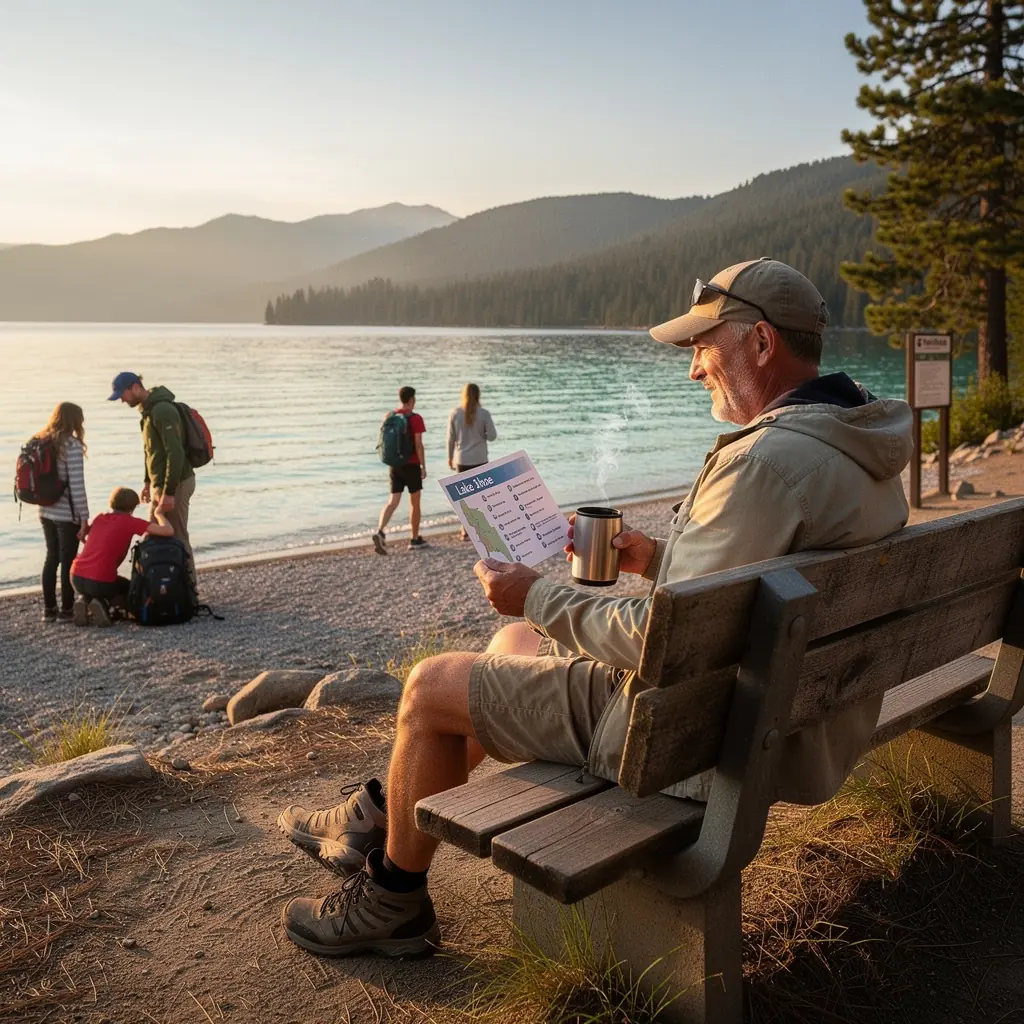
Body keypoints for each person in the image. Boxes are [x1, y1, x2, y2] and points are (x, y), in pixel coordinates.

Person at [275, 258, 913, 958]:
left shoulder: (764, 461)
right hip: (778, 718)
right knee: (514, 642)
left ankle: (392, 897)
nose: (693, 368)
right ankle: (377, 816)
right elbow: (756, 590)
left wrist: (542, 593)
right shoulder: (853, 442)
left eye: (703, 346)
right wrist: (656, 559)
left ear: (761, 344)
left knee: (429, 687)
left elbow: (664, 641)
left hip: (687, 738)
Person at [108, 372, 196, 565]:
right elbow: (151, 451)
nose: (122, 400)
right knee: (151, 534)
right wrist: (148, 482)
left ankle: (190, 590)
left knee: (178, 537)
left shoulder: (162, 411)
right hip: (161, 484)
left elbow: (176, 453)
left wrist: (170, 492)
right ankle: (156, 588)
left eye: (122, 394)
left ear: (135, 387)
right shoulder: (147, 413)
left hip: (177, 482)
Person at [70, 487, 175, 627]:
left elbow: (85, 537)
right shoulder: (131, 522)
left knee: (92, 585)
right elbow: (168, 531)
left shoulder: (100, 518)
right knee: (127, 588)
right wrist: (159, 513)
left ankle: (84, 600)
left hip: (76, 576)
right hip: (100, 580)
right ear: (132, 507)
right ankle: (103, 604)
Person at [35, 402, 90, 623]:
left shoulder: (41, 440)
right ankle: (67, 610)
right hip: (66, 515)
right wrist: (84, 517)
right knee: (68, 561)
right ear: (75, 420)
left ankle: (49, 610)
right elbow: (77, 485)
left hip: (44, 510)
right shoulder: (71, 446)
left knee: (51, 558)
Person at [373, 385, 428, 554]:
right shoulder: (416, 418)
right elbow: (418, 445)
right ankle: (414, 538)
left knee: (393, 501)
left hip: (395, 465)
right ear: (412, 399)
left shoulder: (390, 416)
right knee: (415, 502)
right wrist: (423, 466)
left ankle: (380, 530)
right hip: (411, 465)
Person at [447, 383, 498, 540]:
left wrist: (450, 457)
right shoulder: (484, 413)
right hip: (480, 459)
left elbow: (451, 438)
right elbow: (492, 436)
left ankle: (465, 530)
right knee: (480, 496)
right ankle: (482, 529)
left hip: (462, 460)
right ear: (478, 395)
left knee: (464, 498)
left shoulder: (455, 413)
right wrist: (483, 432)